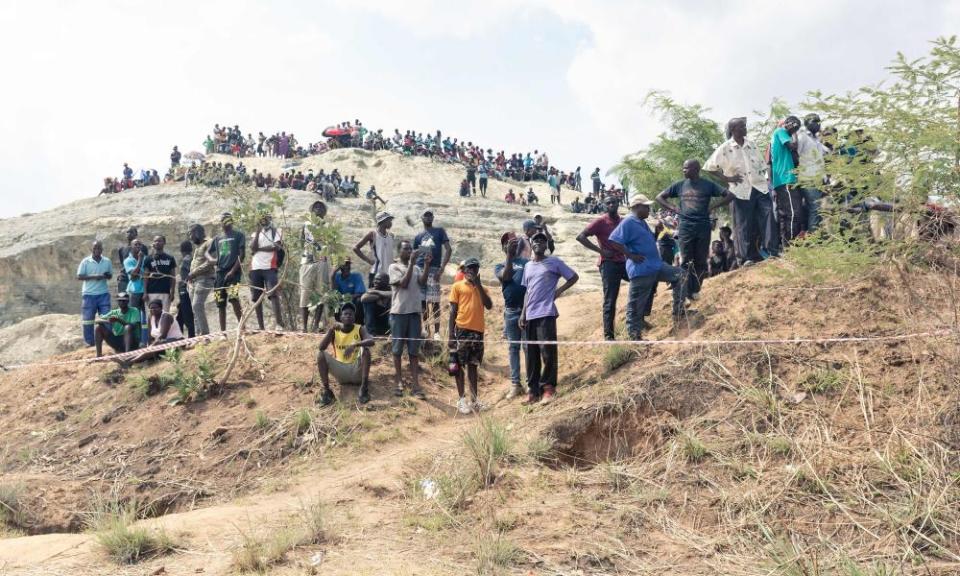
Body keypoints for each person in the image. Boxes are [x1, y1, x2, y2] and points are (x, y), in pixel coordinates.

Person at [655, 159, 734, 301]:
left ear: (696, 169)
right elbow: (659, 197)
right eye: (683, 168)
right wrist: (673, 208)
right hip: (685, 227)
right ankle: (684, 291)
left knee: (701, 261)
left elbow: (729, 195)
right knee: (685, 260)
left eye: (686, 168)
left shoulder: (708, 185)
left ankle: (695, 290)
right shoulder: (679, 185)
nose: (683, 170)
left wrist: (713, 206)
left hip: (703, 226)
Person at [609, 196, 687, 340]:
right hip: (641, 269)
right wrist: (630, 255)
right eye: (646, 206)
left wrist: (657, 232)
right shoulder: (628, 222)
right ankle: (634, 337)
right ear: (637, 207)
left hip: (655, 265)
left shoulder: (641, 222)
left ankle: (679, 313)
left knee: (681, 275)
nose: (648, 209)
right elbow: (614, 241)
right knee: (636, 304)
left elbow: (651, 240)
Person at [704, 117, 774, 266]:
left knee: (767, 217)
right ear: (733, 130)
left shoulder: (752, 145)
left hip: (759, 187)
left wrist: (766, 180)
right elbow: (710, 167)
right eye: (742, 126)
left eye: (745, 126)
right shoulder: (726, 148)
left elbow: (762, 165)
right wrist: (727, 179)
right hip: (741, 190)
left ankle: (772, 250)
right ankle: (746, 257)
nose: (745, 128)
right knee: (743, 224)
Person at [519, 232, 579, 405]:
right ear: (530, 244)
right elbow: (527, 291)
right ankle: (533, 391)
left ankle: (548, 388)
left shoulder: (554, 262)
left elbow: (573, 277)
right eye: (535, 240)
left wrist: (558, 291)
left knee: (547, 352)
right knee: (531, 354)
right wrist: (523, 313)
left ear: (546, 245)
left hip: (546, 312)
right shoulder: (528, 266)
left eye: (542, 240)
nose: (538, 242)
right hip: (529, 315)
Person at [577, 196, 629, 340]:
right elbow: (580, 237)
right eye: (608, 203)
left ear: (619, 203)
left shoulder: (623, 221)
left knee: (643, 281)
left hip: (624, 262)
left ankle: (639, 319)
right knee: (610, 300)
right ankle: (609, 336)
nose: (611, 204)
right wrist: (600, 251)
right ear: (604, 205)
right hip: (608, 263)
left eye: (614, 202)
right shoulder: (600, 221)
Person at [448, 257, 493, 414]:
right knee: (459, 365)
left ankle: (474, 400)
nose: (471, 271)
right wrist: (450, 336)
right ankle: (461, 400)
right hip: (462, 330)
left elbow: (489, 305)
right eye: (468, 268)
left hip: (477, 331)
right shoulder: (457, 286)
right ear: (464, 270)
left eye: (474, 268)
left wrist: (479, 285)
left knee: (473, 365)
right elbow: (453, 311)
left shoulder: (483, 288)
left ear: (477, 271)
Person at [389, 241, 430, 398]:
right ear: (399, 251)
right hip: (399, 313)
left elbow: (422, 282)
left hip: (414, 312)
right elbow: (404, 284)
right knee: (397, 349)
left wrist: (426, 265)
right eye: (405, 248)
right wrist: (412, 263)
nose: (409, 251)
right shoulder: (394, 267)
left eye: (410, 249)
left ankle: (415, 385)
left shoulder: (416, 268)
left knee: (414, 350)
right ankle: (399, 382)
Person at [315, 302, 375, 405]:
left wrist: (355, 345)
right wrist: (330, 330)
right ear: (341, 318)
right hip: (341, 373)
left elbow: (372, 341)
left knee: (366, 350)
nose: (348, 316)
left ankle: (364, 388)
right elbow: (321, 347)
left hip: (357, 371)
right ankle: (327, 392)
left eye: (350, 314)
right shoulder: (335, 331)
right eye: (345, 314)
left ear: (354, 318)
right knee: (320, 355)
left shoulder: (359, 328)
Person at [495, 232, 528, 399]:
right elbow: (506, 277)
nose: (511, 245)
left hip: (526, 310)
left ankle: (530, 382)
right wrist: (509, 255)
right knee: (513, 348)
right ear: (503, 248)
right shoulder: (499, 266)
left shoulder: (527, 263)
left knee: (528, 347)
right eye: (507, 244)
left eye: (513, 243)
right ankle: (516, 384)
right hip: (510, 312)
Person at [413, 210, 452, 340]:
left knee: (434, 301)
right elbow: (415, 253)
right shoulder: (418, 236)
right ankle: (425, 330)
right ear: (422, 218)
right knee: (422, 302)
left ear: (433, 218)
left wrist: (442, 268)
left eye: (430, 215)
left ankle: (436, 333)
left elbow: (448, 249)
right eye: (426, 215)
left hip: (434, 269)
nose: (428, 217)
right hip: (420, 269)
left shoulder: (439, 231)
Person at [771, 115, 804, 247]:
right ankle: (791, 245)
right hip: (784, 178)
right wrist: (794, 132)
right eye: (794, 126)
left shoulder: (782, 133)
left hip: (789, 178)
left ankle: (789, 243)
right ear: (788, 124)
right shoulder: (780, 132)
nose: (795, 129)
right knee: (793, 213)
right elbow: (793, 146)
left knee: (793, 213)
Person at [208, 213, 245, 331]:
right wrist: (212, 260)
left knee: (234, 298)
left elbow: (242, 255)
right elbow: (207, 252)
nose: (225, 222)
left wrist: (233, 271)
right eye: (223, 220)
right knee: (220, 303)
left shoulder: (239, 235)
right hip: (219, 274)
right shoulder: (217, 238)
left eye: (227, 220)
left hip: (234, 273)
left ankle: (243, 328)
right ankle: (223, 333)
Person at [249, 212, 285, 330]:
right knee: (256, 298)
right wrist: (258, 231)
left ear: (270, 219)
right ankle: (261, 327)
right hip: (255, 268)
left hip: (270, 267)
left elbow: (276, 246)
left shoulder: (276, 231)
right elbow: (252, 247)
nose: (264, 221)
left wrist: (259, 249)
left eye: (266, 218)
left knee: (273, 294)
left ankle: (279, 325)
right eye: (262, 219)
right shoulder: (255, 233)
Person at [300, 201, 331, 333]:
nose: (318, 209)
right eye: (315, 207)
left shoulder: (327, 226)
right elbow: (301, 240)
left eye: (321, 207)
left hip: (321, 261)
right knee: (304, 292)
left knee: (321, 293)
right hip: (307, 261)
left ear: (325, 212)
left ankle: (315, 325)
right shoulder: (306, 224)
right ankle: (304, 327)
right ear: (311, 210)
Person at [78, 240, 113, 346]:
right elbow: (79, 276)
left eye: (99, 248)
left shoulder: (107, 261)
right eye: (95, 248)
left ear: (102, 249)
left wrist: (107, 275)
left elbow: (110, 276)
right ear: (91, 249)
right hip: (89, 294)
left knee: (106, 318)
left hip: (103, 294)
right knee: (88, 319)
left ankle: (109, 341)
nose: (97, 250)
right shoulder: (85, 261)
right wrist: (95, 276)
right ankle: (89, 342)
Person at [797, 113, 827, 233]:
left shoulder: (817, 140)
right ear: (807, 123)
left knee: (819, 209)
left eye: (819, 121)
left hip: (818, 179)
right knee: (815, 208)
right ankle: (813, 239)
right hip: (807, 178)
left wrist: (824, 178)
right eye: (815, 121)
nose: (818, 124)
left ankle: (815, 236)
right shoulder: (802, 137)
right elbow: (795, 156)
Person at [185, 224, 214, 335]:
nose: (190, 237)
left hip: (205, 278)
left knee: (197, 305)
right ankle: (199, 337)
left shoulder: (209, 242)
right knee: (194, 308)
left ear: (197, 232)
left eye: (190, 233)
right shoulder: (198, 246)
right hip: (194, 280)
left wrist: (193, 273)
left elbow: (211, 262)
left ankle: (205, 335)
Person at [353, 211, 395, 286]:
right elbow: (356, 248)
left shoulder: (391, 236)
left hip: (389, 273)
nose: (391, 223)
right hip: (376, 274)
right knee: (374, 296)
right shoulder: (373, 234)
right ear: (383, 221)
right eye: (389, 220)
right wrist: (368, 260)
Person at [94, 292, 140, 357]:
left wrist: (118, 320)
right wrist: (108, 321)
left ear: (128, 301)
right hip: (118, 341)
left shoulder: (134, 311)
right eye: (120, 301)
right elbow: (97, 320)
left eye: (124, 301)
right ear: (117, 302)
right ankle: (98, 355)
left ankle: (127, 355)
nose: (122, 302)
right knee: (98, 328)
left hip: (132, 341)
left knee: (128, 327)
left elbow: (133, 326)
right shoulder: (114, 312)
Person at [123, 239, 148, 342]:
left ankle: (145, 340)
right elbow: (133, 276)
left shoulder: (146, 258)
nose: (138, 246)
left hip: (145, 291)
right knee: (135, 317)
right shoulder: (127, 260)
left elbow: (147, 274)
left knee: (145, 317)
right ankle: (135, 340)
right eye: (135, 244)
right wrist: (140, 260)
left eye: (139, 244)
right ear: (131, 246)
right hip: (134, 292)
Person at [143, 235, 176, 312]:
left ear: (164, 243)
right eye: (155, 241)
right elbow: (145, 277)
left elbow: (172, 277)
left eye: (159, 241)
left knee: (164, 315)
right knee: (152, 316)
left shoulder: (170, 258)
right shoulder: (148, 259)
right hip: (151, 292)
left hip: (165, 292)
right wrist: (145, 292)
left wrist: (172, 291)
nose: (157, 242)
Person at [176, 240, 196, 338]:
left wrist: (182, 281)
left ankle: (191, 337)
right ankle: (180, 339)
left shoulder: (186, 260)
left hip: (185, 291)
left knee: (187, 316)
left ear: (181, 250)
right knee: (180, 317)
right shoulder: (190, 258)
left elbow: (190, 274)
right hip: (184, 291)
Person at [116, 227, 138, 294]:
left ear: (136, 234)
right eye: (127, 232)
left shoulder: (142, 248)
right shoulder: (122, 249)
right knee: (123, 299)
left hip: (136, 278)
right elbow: (122, 263)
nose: (129, 234)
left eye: (131, 232)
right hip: (124, 278)